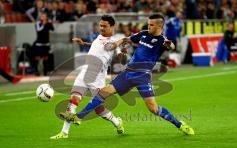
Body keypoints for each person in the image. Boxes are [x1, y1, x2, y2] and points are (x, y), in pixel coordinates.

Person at [60, 14, 195, 135]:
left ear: (160, 26)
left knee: (153, 109)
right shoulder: (143, 34)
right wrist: (116, 43)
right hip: (128, 73)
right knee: (103, 93)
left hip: (143, 76)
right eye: (148, 23)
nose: (148, 26)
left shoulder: (162, 40)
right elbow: (126, 39)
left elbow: (171, 47)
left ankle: (180, 124)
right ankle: (78, 117)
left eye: (152, 25)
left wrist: (170, 45)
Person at [50, 15, 124, 140]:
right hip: (84, 72)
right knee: (74, 99)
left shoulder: (116, 41)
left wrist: (121, 54)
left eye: (104, 26)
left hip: (98, 77)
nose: (101, 28)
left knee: (99, 109)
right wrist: (84, 43)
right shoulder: (99, 37)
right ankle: (64, 132)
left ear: (112, 26)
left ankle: (117, 122)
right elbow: (100, 45)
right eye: (100, 25)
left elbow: (115, 50)